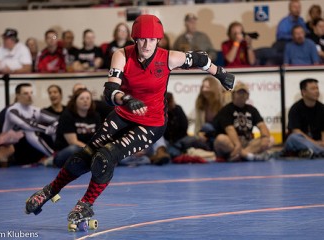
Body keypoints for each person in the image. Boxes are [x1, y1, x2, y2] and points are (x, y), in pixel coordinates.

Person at [25, 14, 234, 226]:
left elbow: (200, 59)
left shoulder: (169, 57)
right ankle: (50, 190)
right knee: (85, 156)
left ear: (158, 40)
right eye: (142, 39)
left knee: (104, 158)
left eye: (152, 40)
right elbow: (110, 92)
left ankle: (86, 204)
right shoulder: (122, 55)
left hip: (152, 123)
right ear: (134, 38)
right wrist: (125, 99)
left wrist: (220, 73)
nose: (146, 44)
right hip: (124, 113)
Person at [213, 81, 272, 162]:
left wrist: (265, 137)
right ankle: (248, 156)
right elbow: (229, 129)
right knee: (220, 139)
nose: (242, 95)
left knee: (270, 140)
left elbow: (261, 125)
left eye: (244, 93)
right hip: (232, 143)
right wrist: (237, 144)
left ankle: (239, 156)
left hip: (247, 143)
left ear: (248, 96)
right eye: (239, 92)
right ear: (233, 95)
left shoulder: (252, 110)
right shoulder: (226, 110)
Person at [2, 83, 58, 165]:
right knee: (29, 131)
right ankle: (54, 156)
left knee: (55, 127)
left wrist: (54, 126)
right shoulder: (12, 110)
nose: (30, 96)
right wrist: (46, 129)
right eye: (26, 93)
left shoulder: (35, 109)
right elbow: (27, 125)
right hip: (9, 147)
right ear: (17, 95)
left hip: (27, 148)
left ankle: (55, 154)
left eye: (31, 93)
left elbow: (57, 119)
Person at [53, 88, 101, 168]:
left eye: (88, 98)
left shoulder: (95, 116)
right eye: (82, 98)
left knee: (116, 153)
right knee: (74, 149)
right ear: (75, 101)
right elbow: (73, 142)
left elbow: (98, 138)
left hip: (88, 151)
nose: (85, 101)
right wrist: (92, 151)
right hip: (65, 153)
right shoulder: (67, 116)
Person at [282, 78, 324, 158]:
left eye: (317, 88)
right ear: (303, 92)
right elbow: (296, 131)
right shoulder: (295, 109)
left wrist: (323, 142)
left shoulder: (322, 108)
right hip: (302, 142)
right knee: (293, 138)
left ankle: (309, 152)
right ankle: (318, 152)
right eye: (313, 89)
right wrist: (314, 143)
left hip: (318, 143)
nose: (316, 91)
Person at [194, 76, 229, 150]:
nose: (204, 90)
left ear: (214, 88)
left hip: (221, 134)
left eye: (207, 87)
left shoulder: (223, 101)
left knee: (207, 127)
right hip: (206, 136)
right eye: (203, 87)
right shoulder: (200, 103)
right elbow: (197, 125)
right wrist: (198, 135)